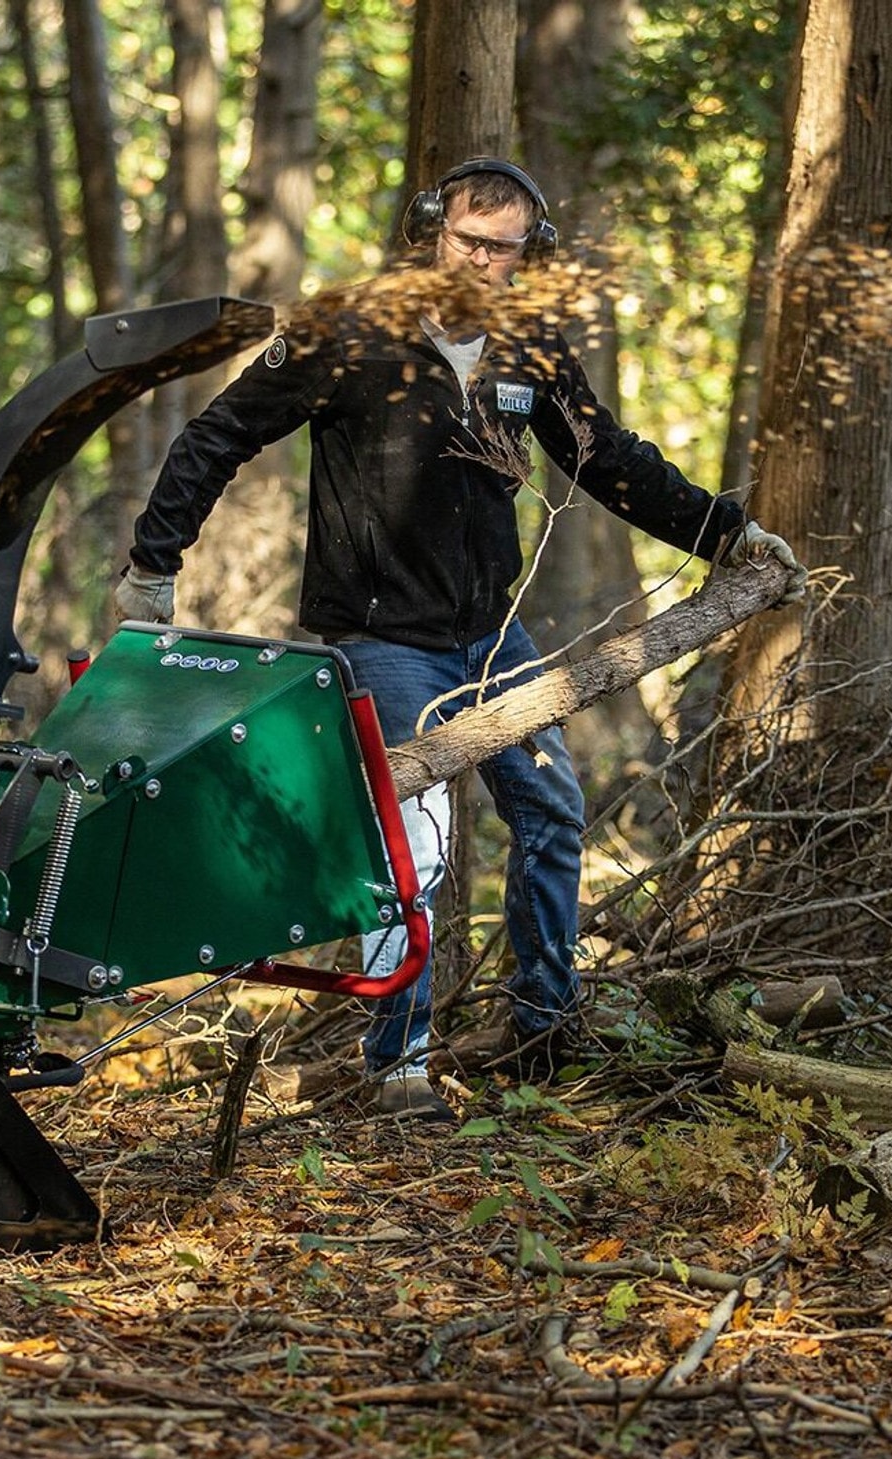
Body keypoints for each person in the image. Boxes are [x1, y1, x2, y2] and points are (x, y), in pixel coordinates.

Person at [114, 158, 805, 1122]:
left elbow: (614, 463)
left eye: (504, 248)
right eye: (468, 240)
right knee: (419, 843)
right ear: (432, 232)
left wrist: (725, 533)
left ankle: (543, 1027)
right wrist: (155, 565)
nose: (483, 262)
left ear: (530, 255)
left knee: (553, 810)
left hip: (489, 635)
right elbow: (215, 436)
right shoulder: (346, 329)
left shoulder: (531, 347)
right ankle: (396, 1062)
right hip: (381, 633)